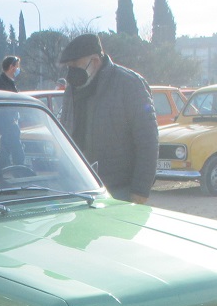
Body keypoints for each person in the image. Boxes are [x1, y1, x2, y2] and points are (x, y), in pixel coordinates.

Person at [58, 34, 158, 204]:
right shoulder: (72, 90)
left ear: (95, 61)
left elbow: (148, 142)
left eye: (75, 66)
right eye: (68, 67)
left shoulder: (129, 85)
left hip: (120, 191)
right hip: (80, 190)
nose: (70, 73)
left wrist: (140, 192)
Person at [0, 56, 25, 166]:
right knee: (18, 155)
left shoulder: (9, 83)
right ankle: (20, 175)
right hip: (6, 126)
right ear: (11, 67)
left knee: (4, 155)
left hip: (10, 125)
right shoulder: (0, 85)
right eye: (17, 66)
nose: (19, 69)